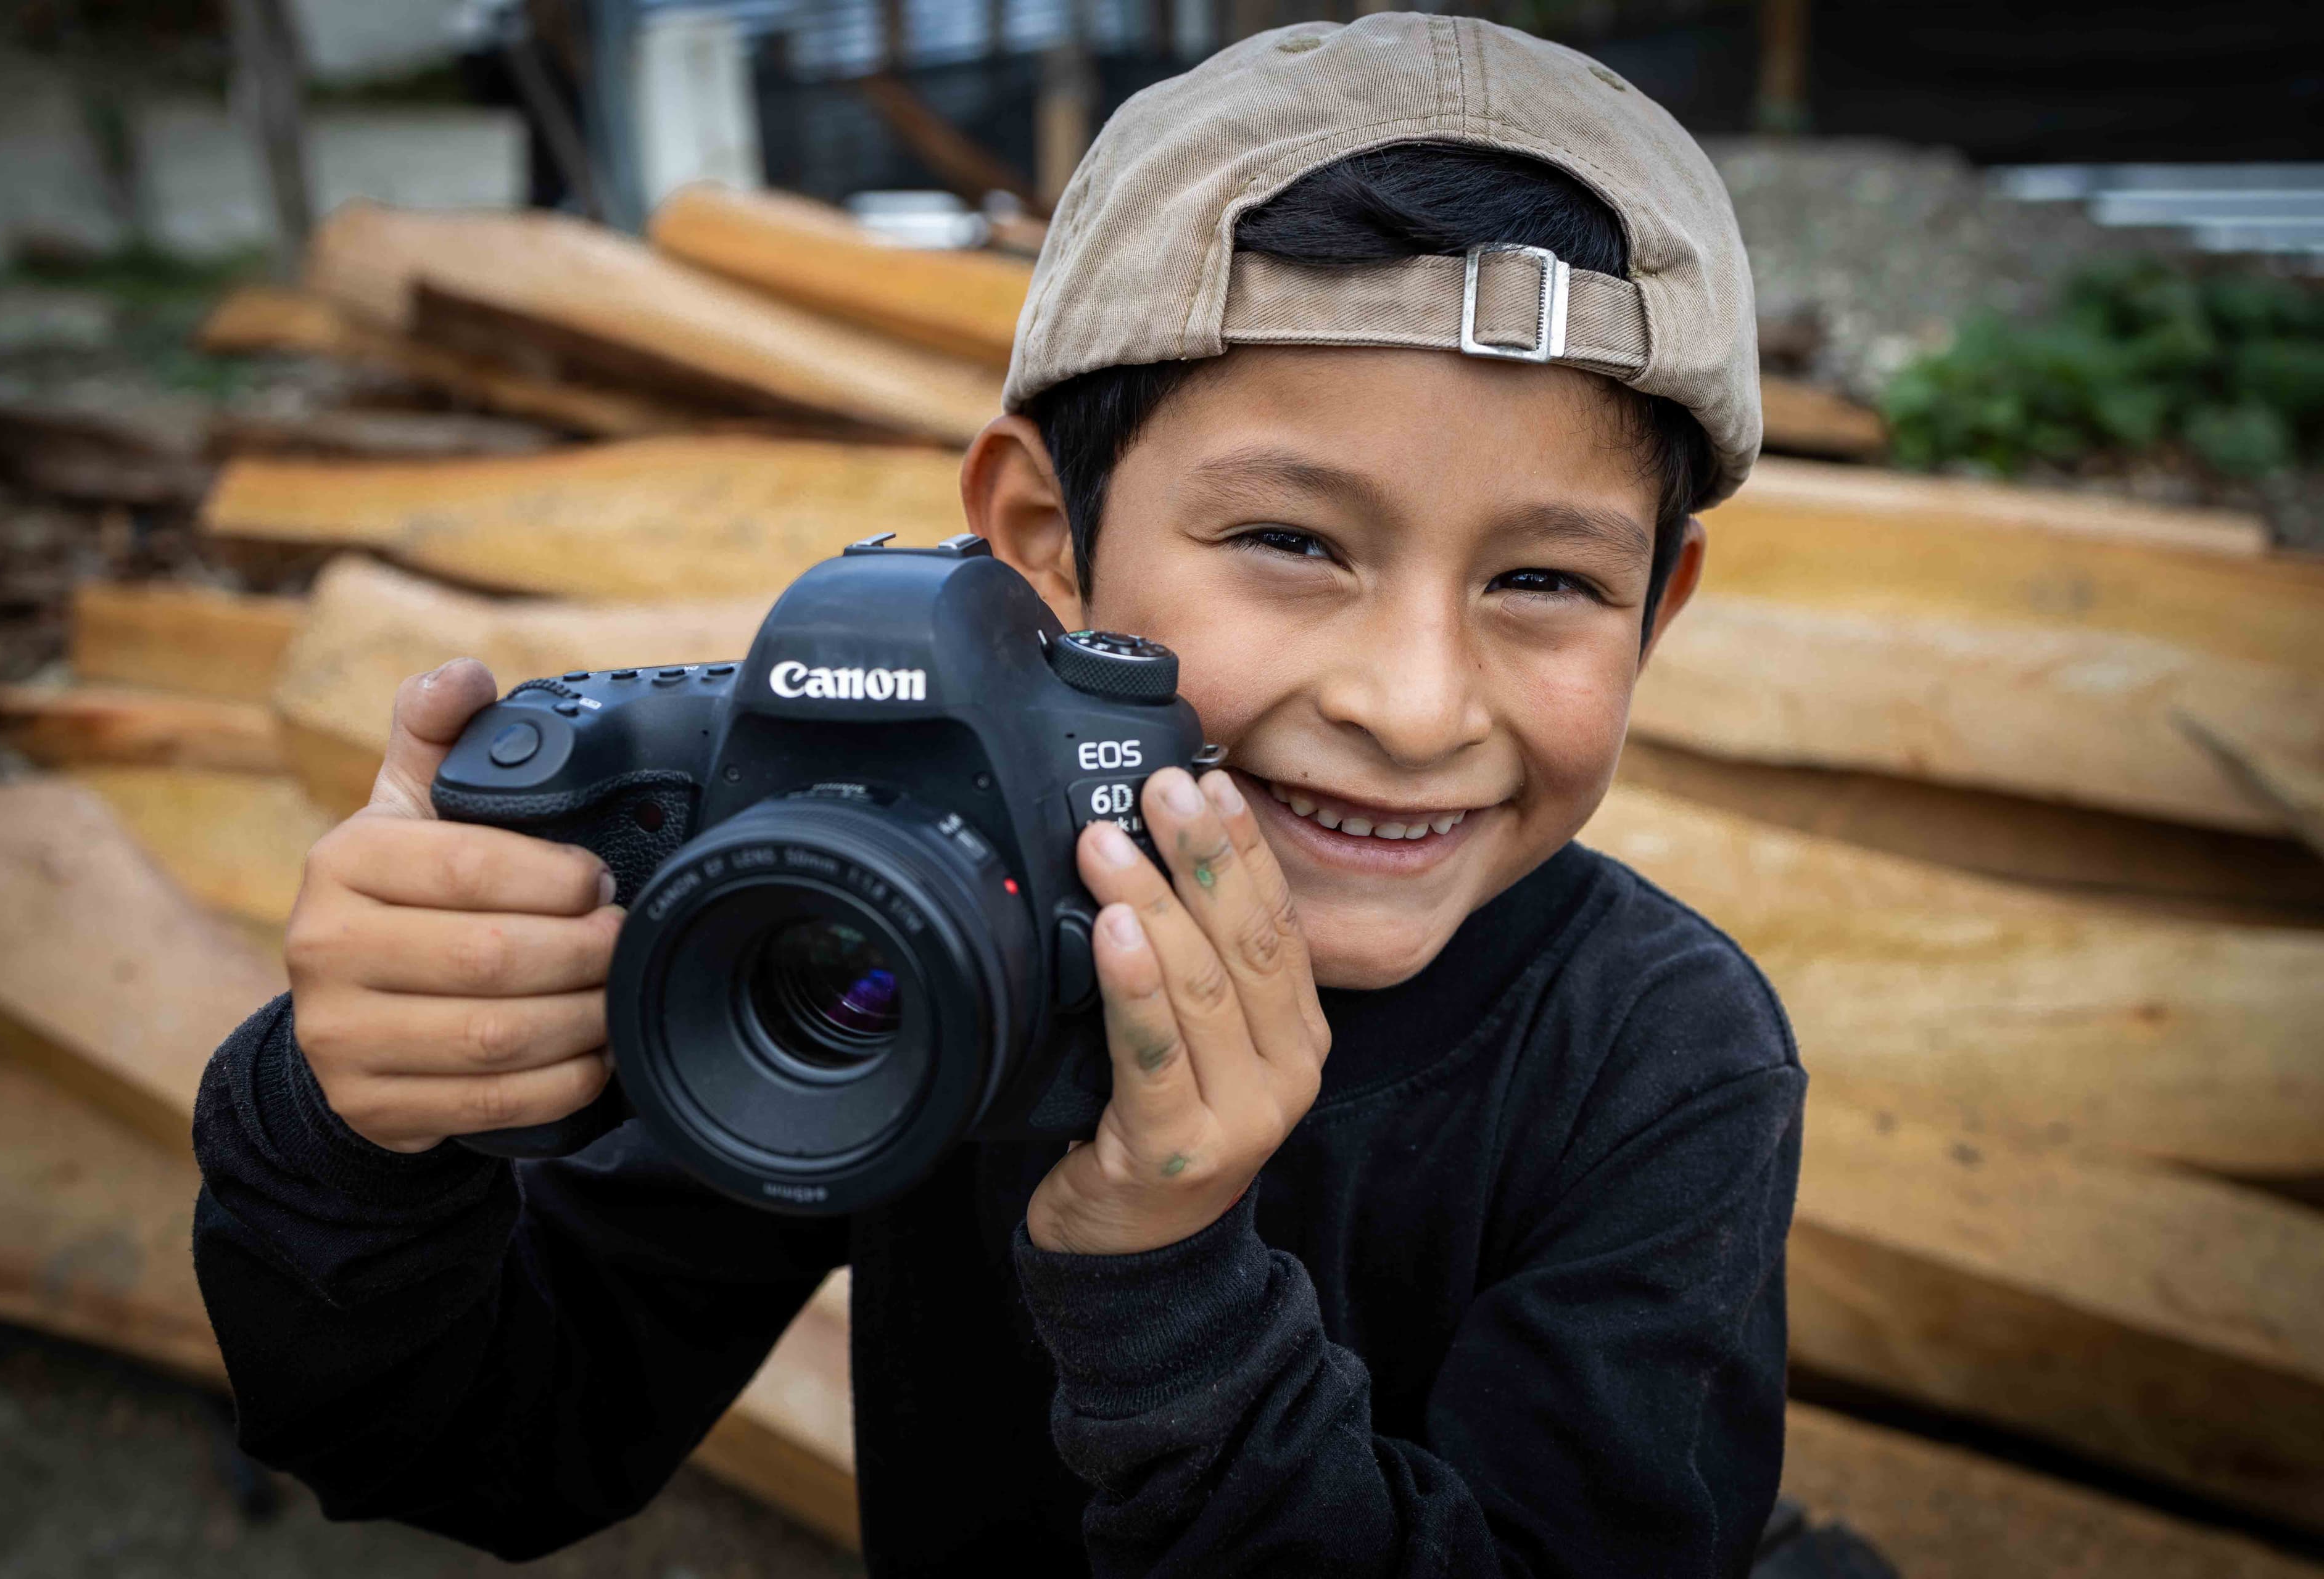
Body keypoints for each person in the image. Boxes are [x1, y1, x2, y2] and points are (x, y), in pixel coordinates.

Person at [192, 15, 1803, 1575]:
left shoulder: (1663, 1065)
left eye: (1543, 579)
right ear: (1040, 537)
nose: (1412, 703)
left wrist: (1163, 1275)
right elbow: (481, 1448)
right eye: (1294, 544)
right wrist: (360, 1128)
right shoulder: (878, 931)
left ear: (1657, 610)